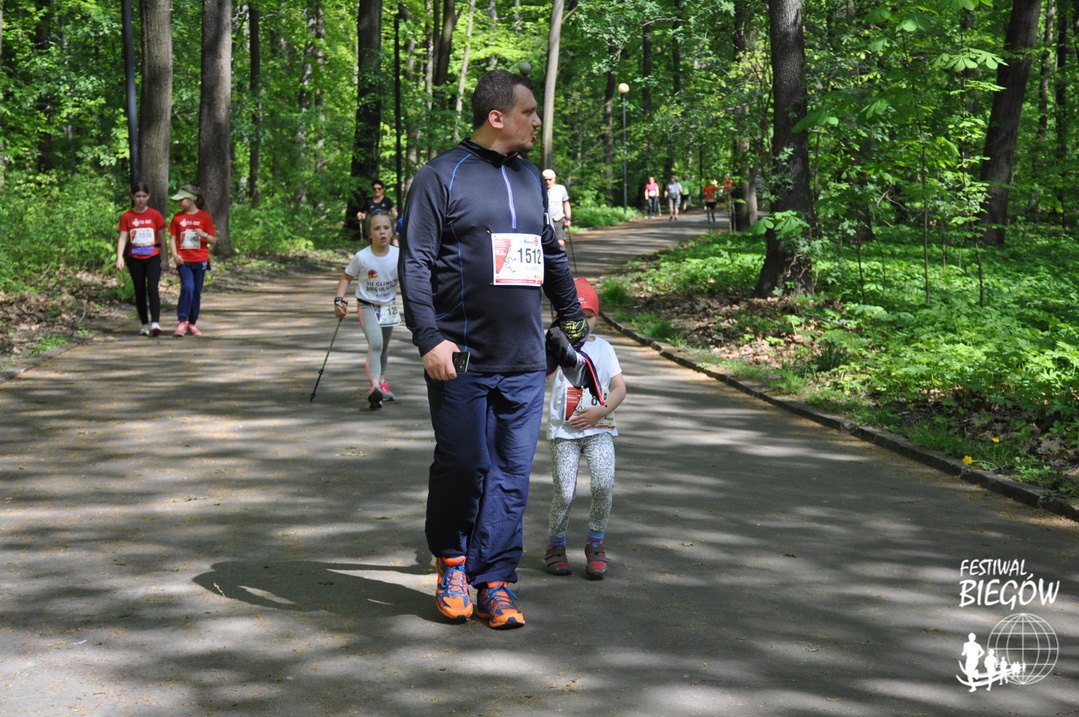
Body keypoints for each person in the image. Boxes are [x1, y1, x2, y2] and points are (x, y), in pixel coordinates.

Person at [398, 69, 588, 630]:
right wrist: (428, 337)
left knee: (510, 473)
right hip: (460, 357)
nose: (537, 121)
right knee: (464, 463)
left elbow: (549, 254)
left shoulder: (531, 179)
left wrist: (573, 322)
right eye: (529, 112)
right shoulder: (440, 176)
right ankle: (453, 562)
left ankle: (496, 581)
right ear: (497, 117)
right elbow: (416, 262)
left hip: (525, 360)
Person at [543, 278, 626, 580]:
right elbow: (537, 376)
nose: (584, 323)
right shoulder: (554, 344)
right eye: (576, 317)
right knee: (564, 494)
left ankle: (596, 543)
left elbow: (619, 388)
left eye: (589, 316)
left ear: (597, 318)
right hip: (564, 434)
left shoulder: (604, 349)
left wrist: (600, 412)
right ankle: (555, 545)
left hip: (599, 429)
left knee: (603, 485)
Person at [333, 211, 400, 411]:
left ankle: (382, 381)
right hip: (367, 305)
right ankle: (374, 387)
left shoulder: (399, 255)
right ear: (370, 233)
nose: (382, 232)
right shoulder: (362, 257)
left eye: (386, 228)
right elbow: (346, 278)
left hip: (388, 306)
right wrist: (338, 301)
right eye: (377, 228)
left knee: (384, 347)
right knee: (376, 343)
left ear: (392, 231)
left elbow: (409, 278)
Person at [115, 182, 167, 336]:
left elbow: (162, 239)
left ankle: (155, 323)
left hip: (153, 257)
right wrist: (119, 257)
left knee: (152, 289)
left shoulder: (155, 215)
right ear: (133, 197)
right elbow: (123, 238)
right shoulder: (127, 216)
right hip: (135, 259)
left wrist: (165, 258)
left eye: (144, 196)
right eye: (138, 196)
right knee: (140, 291)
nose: (141, 199)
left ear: (148, 196)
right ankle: (144, 324)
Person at [169, 184, 216, 337]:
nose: (179, 202)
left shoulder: (204, 217)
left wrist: (204, 235)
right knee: (187, 288)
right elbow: (172, 238)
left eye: (181, 199)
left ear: (191, 200)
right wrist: (175, 255)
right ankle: (182, 321)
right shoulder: (177, 217)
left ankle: (192, 323)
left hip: (200, 260)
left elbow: (213, 240)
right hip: (184, 261)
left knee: (196, 292)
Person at [541, 169, 572, 249]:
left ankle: (562, 256)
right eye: (545, 180)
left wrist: (568, 218)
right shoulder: (539, 189)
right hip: (544, 221)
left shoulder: (561, 189)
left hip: (558, 219)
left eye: (550, 179)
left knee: (560, 242)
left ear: (554, 179)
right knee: (544, 242)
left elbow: (566, 203)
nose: (547, 182)